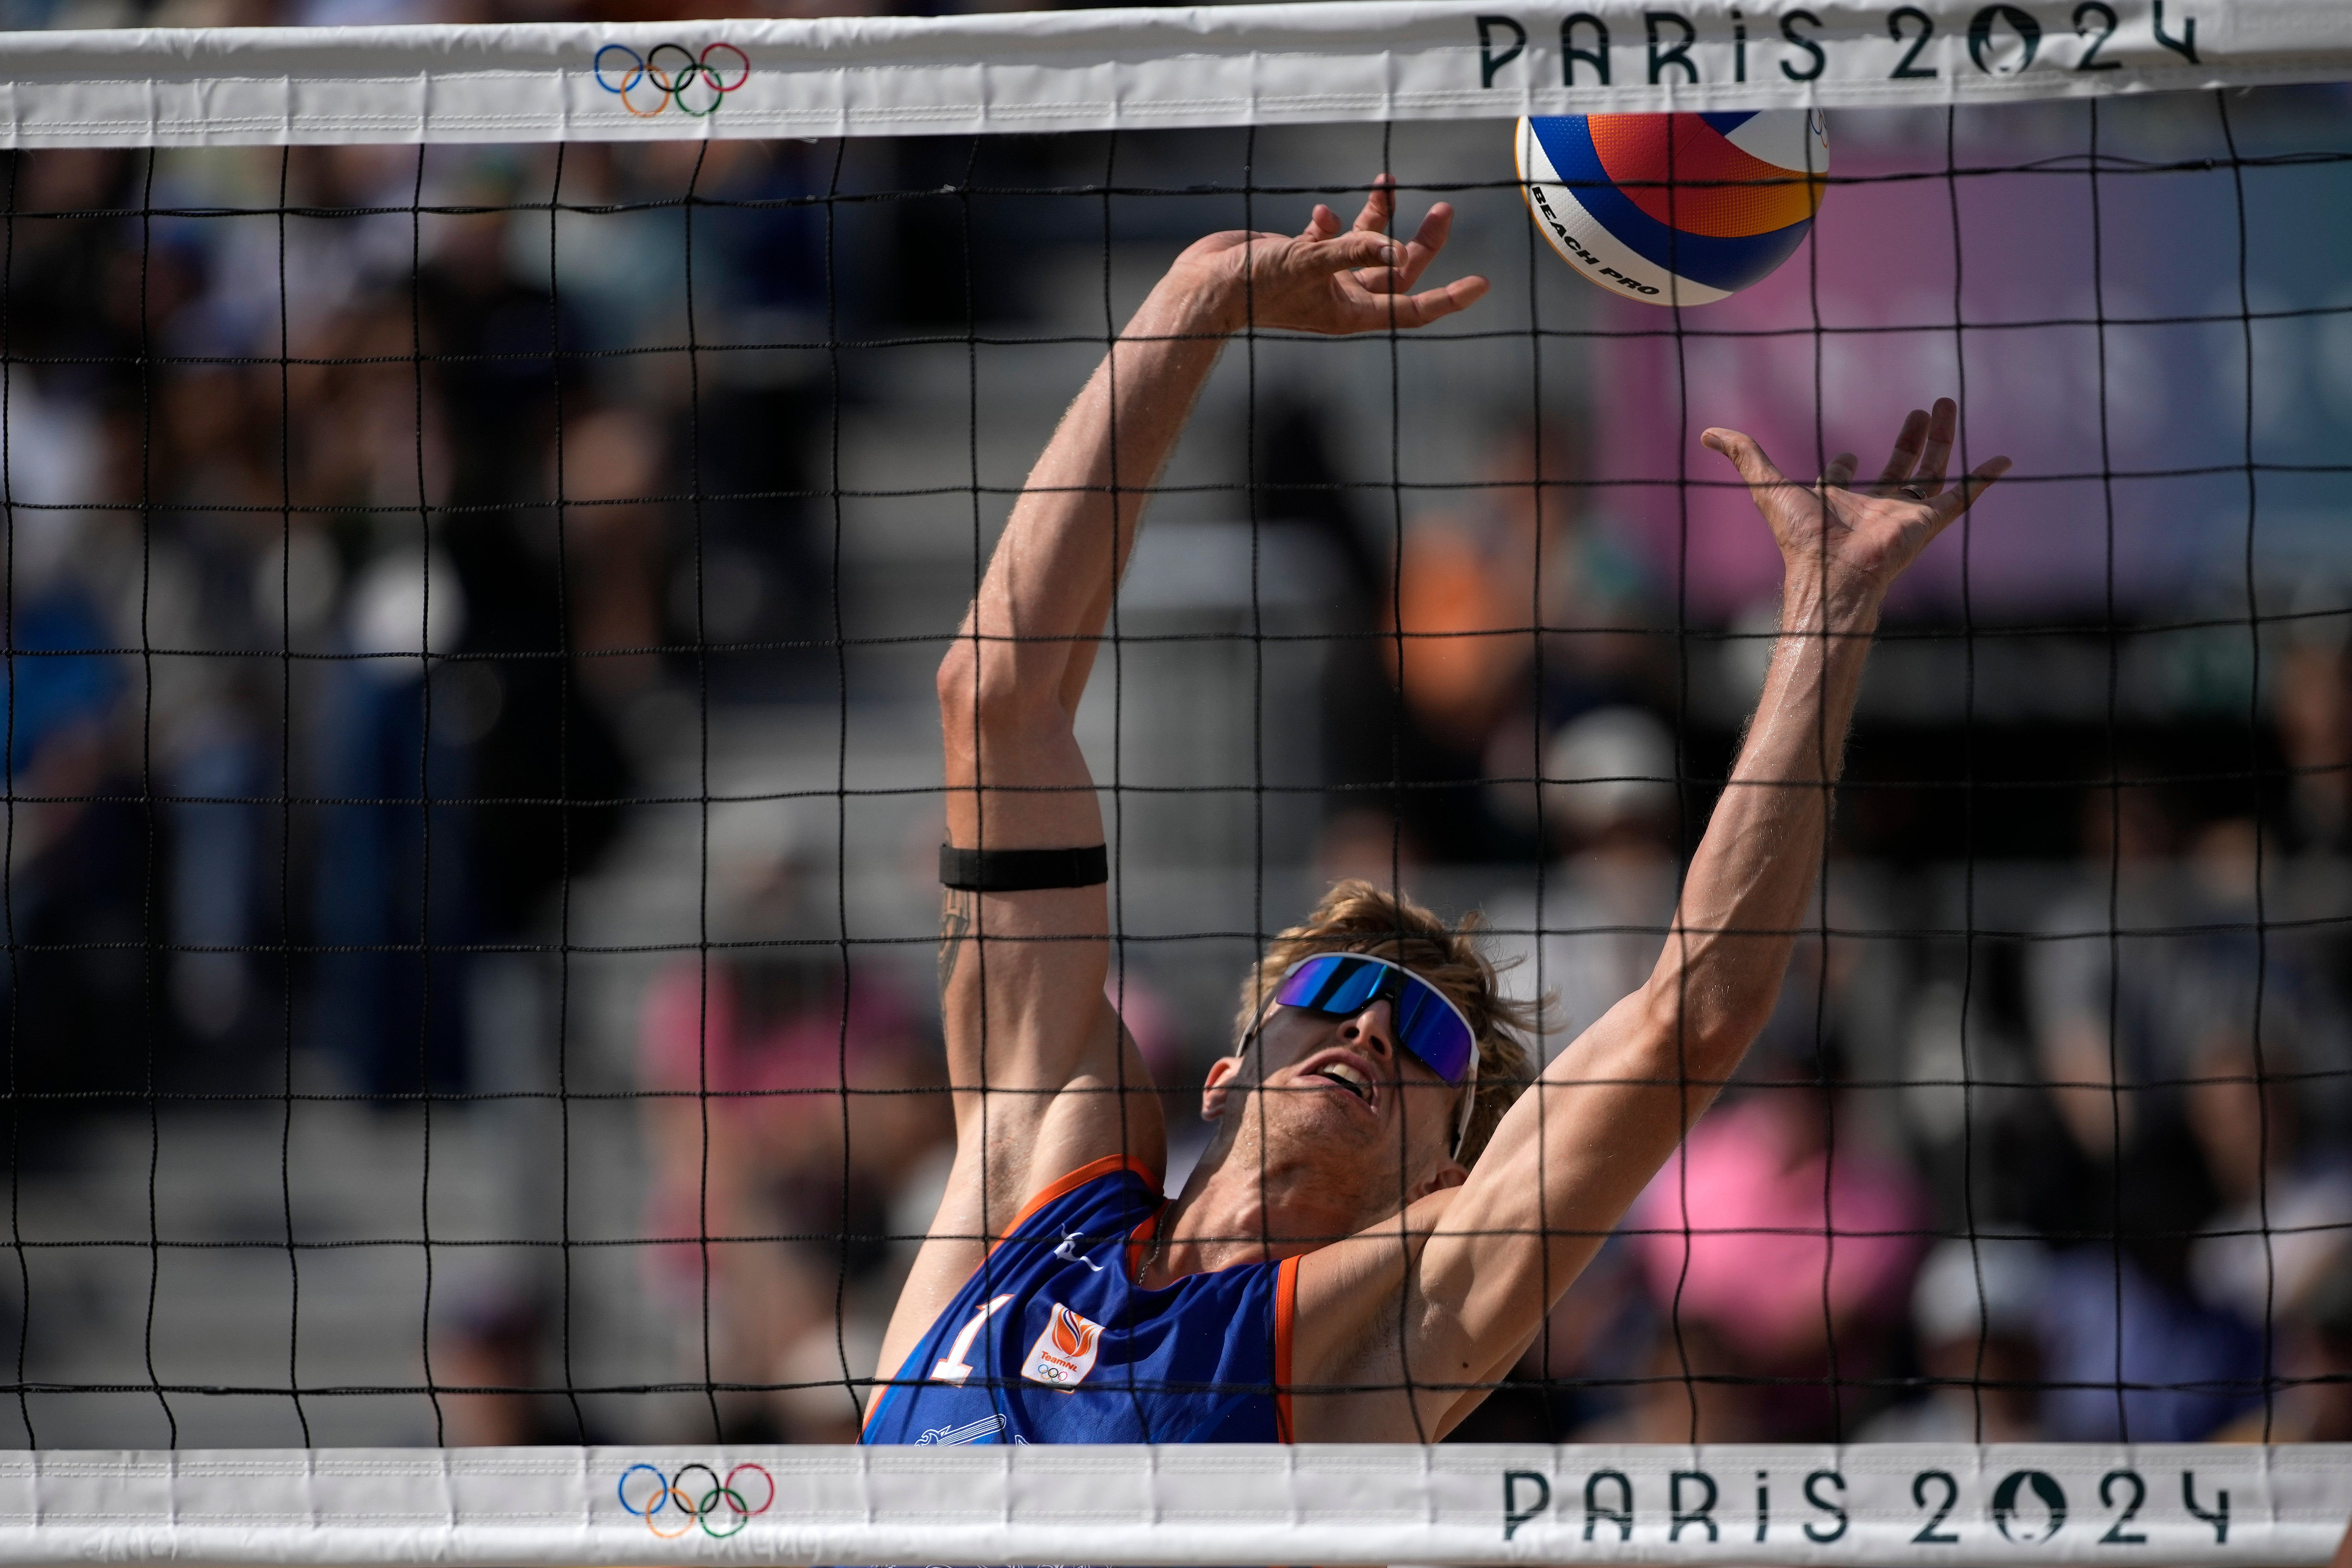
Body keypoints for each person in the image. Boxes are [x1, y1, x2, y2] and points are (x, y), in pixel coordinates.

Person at [861, 177, 2009, 1446]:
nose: (1370, 1037)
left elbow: (1696, 1020)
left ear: (1445, 1172)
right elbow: (997, 698)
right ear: (1227, 1073)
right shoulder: (1041, 1192)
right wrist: (1199, 299)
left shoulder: (1395, 1337)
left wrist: (1830, 615)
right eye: (1337, 1002)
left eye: (1429, 1048)